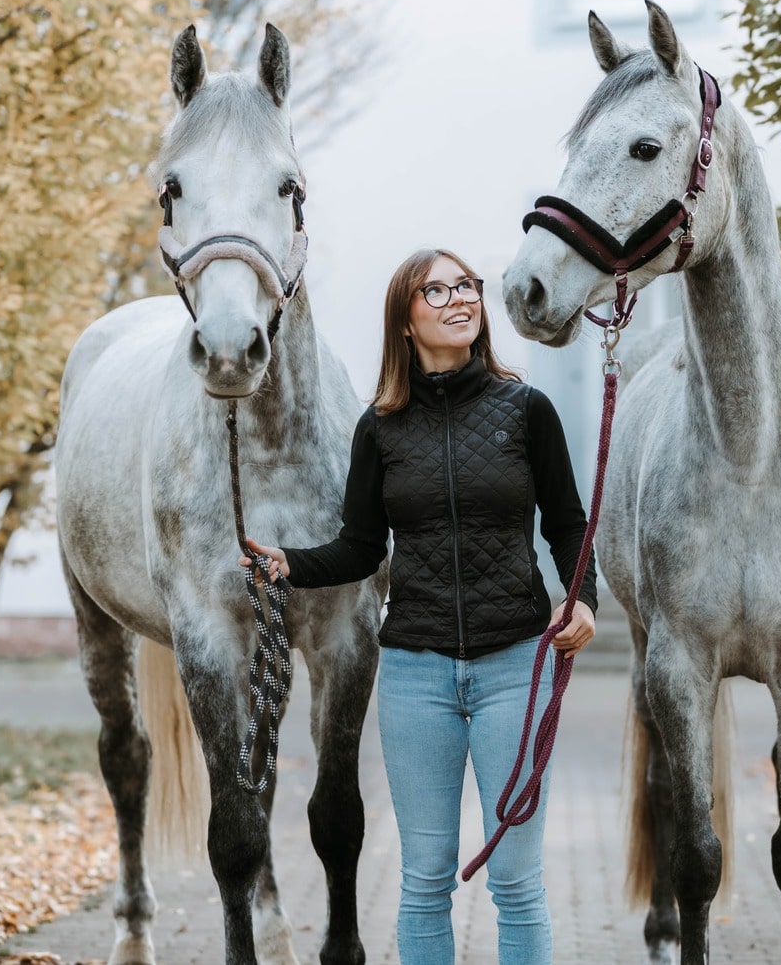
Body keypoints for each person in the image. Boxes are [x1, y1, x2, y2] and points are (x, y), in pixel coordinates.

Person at [242, 248, 598, 965]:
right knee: (424, 877)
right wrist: (290, 565)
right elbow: (362, 548)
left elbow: (567, 521)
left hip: (515, 667)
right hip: (414, 673)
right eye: (436, 291)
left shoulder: (527, 410)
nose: (458, 299)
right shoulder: (380, 428)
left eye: (465, 286)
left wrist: (581, 598)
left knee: (516, 879)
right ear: (406, 320)